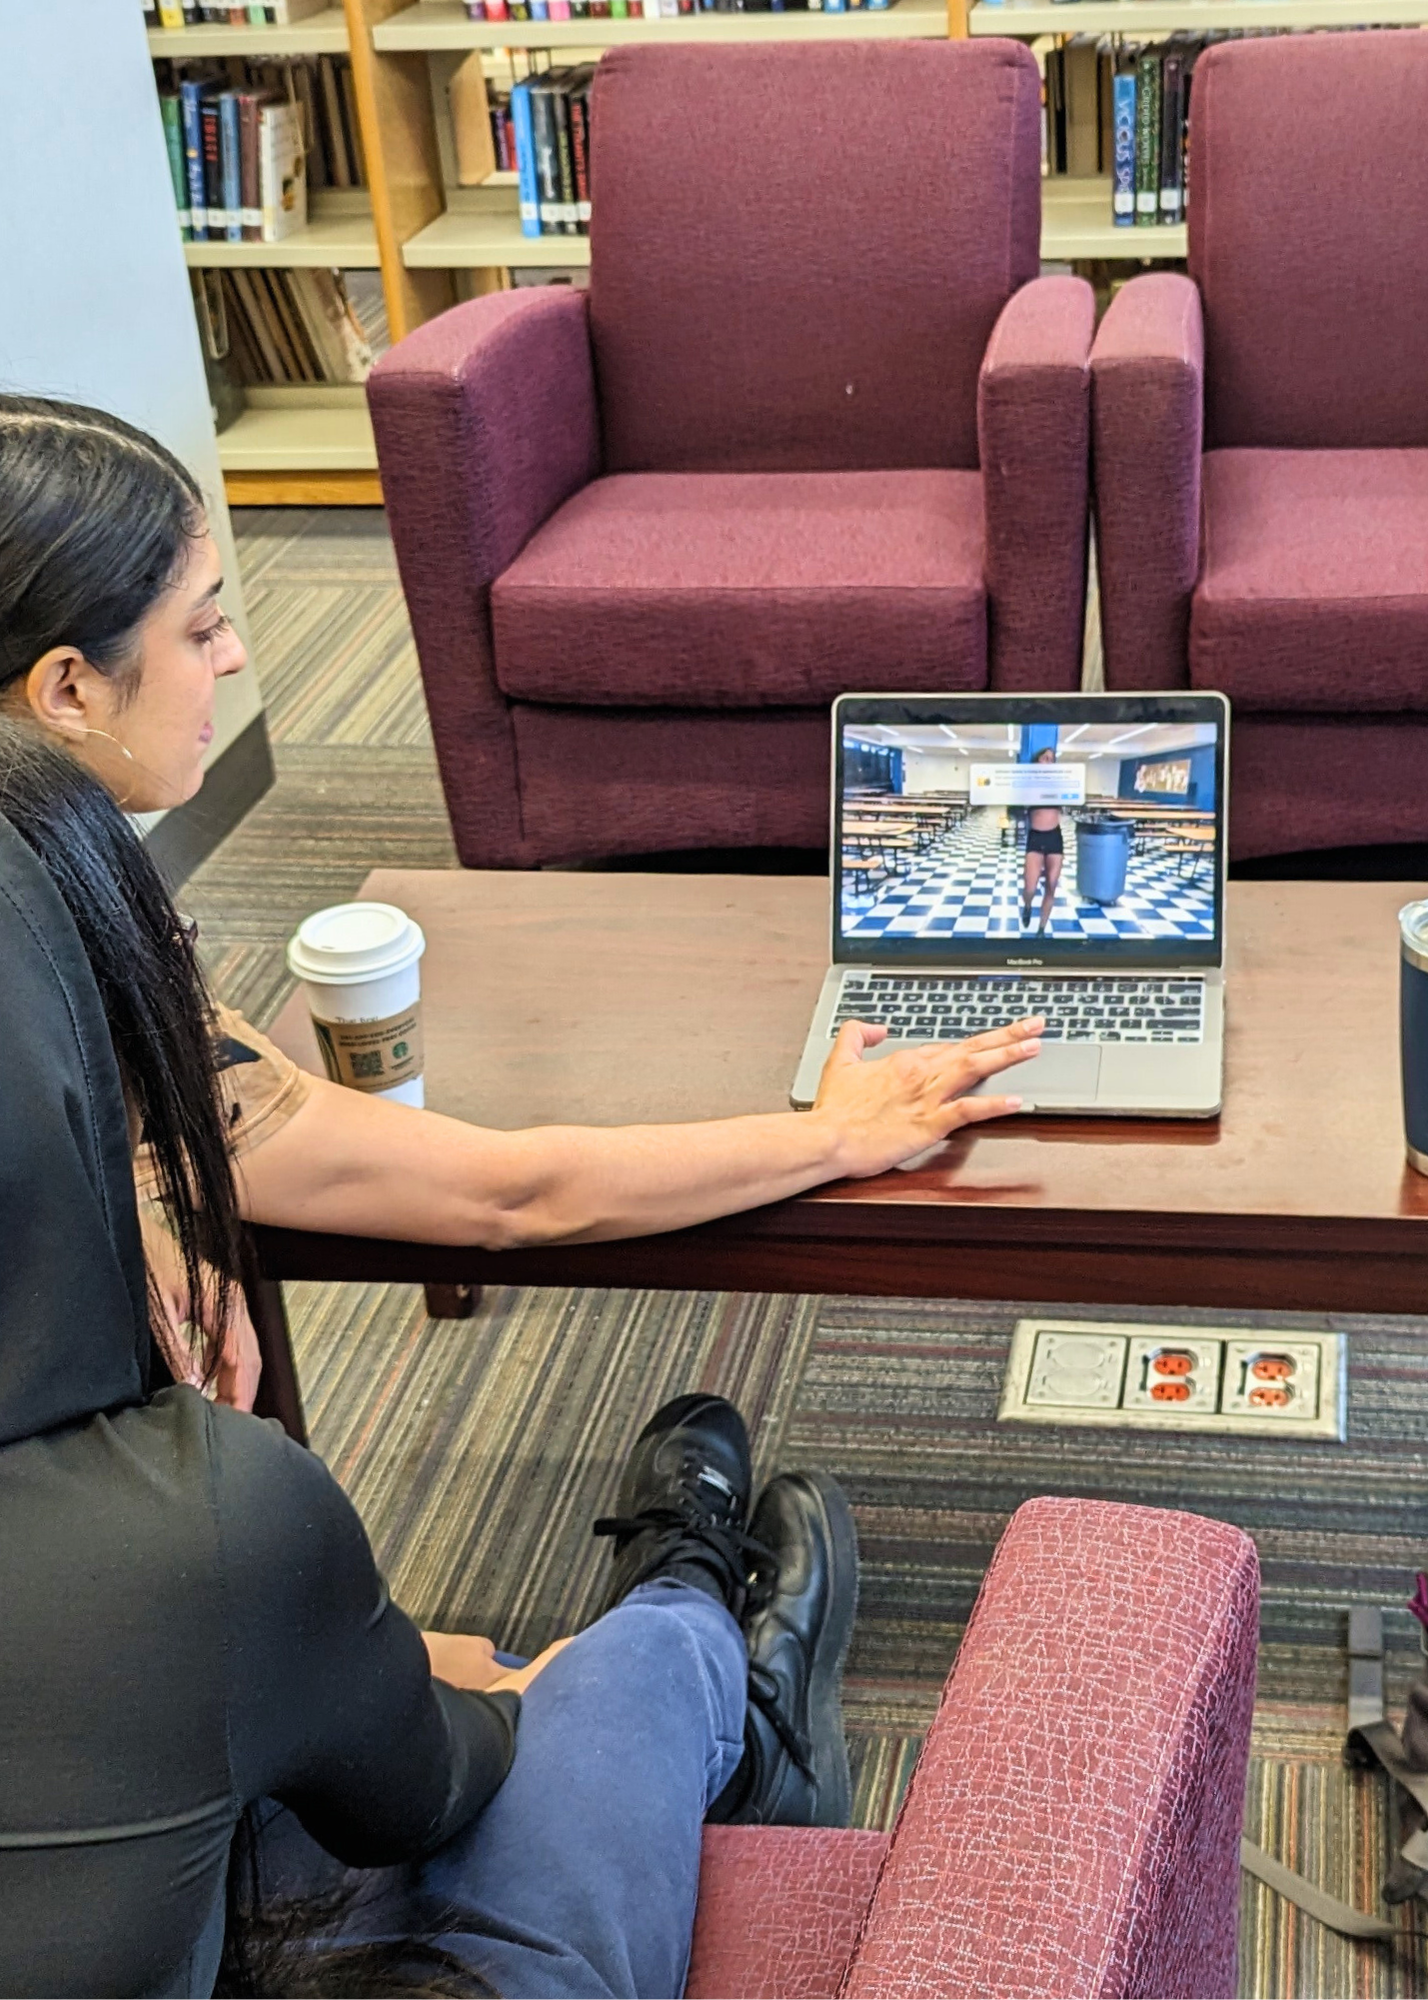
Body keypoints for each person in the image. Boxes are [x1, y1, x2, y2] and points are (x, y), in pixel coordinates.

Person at [0, 768, 859, 1997]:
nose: (233, 653)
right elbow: (424, 1790)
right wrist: (434, 1669)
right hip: (375, 1778)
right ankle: (706, 1636)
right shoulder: (192, 1522)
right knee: (614, 1686)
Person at [0, 393, 1044, 1403]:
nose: (232, 655)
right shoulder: (62, 973)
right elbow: (511, 1192)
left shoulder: (56, 910)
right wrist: (838, 1136)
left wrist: (143, 1204)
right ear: (68, 690)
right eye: (201, 627)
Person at [1021, 745, 1063, 935]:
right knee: (1030, 887)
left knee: (1051, 886)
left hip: (1054, 837)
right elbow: (1015, 809)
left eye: (1051, 759)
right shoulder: (1028, 784)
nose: (1048, 761)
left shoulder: (1061, 783)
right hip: (1035, 838)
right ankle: (1028, 906)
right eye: (1045, 758)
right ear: (1037, 761)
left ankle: (1041, 929)